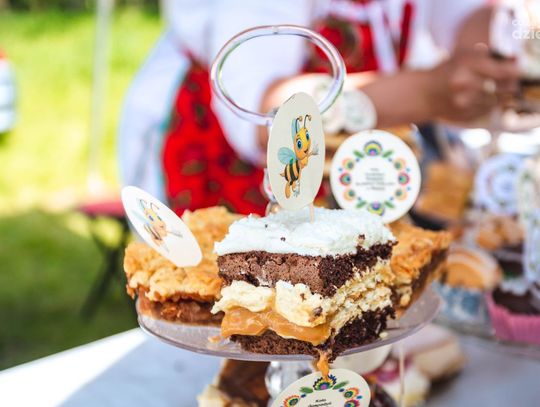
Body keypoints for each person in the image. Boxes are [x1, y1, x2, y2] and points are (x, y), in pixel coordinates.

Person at [119, 0, 519, 216]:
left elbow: (466, 13)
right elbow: (265, 112)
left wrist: (491, 48)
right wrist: (429, 93)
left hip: (344, 165)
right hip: (236, 168)